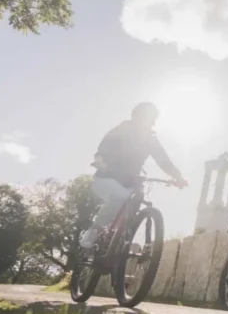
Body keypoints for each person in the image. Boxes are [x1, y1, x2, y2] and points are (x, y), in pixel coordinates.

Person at [80, 102, 188, 250]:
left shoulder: (151, 139)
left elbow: (163, 160)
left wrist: (178, 177)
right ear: (138, 116)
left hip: (130, 181)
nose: (153, 121)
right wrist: (100, 159)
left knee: (137, 197)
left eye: (154, 118)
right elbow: (106, 144)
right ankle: (94, 231)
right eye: (150, 117)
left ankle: (117, 242)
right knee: (119, 196)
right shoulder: (125, 128)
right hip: (106, 178)